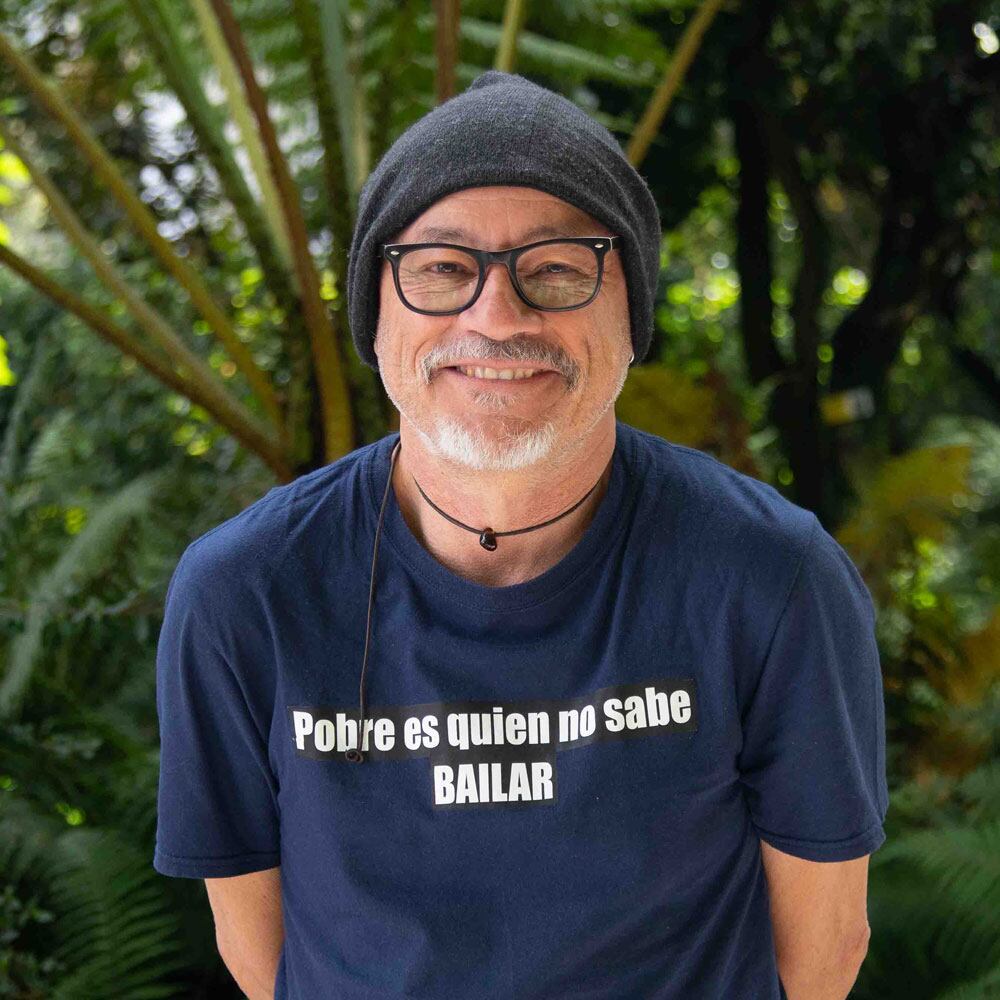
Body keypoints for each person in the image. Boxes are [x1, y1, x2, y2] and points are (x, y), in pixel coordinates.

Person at [153, 70, 889, 1000]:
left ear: (632, 312)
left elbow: (824, 951)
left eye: (557, 268)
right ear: (374, 316)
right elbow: (257, 947)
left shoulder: (773, 577)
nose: (496, 316)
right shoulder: (245, 591)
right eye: (440, 269)